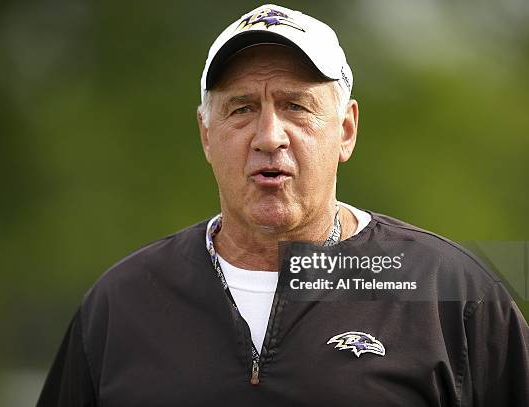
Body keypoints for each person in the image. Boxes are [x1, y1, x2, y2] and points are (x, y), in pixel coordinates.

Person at [37, 4, 529, 406]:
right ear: (206, 134)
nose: (269, 138)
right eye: (242, 108)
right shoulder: (121, 303)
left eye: (296, 105)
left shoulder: (452, 292)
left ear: (346, 130)